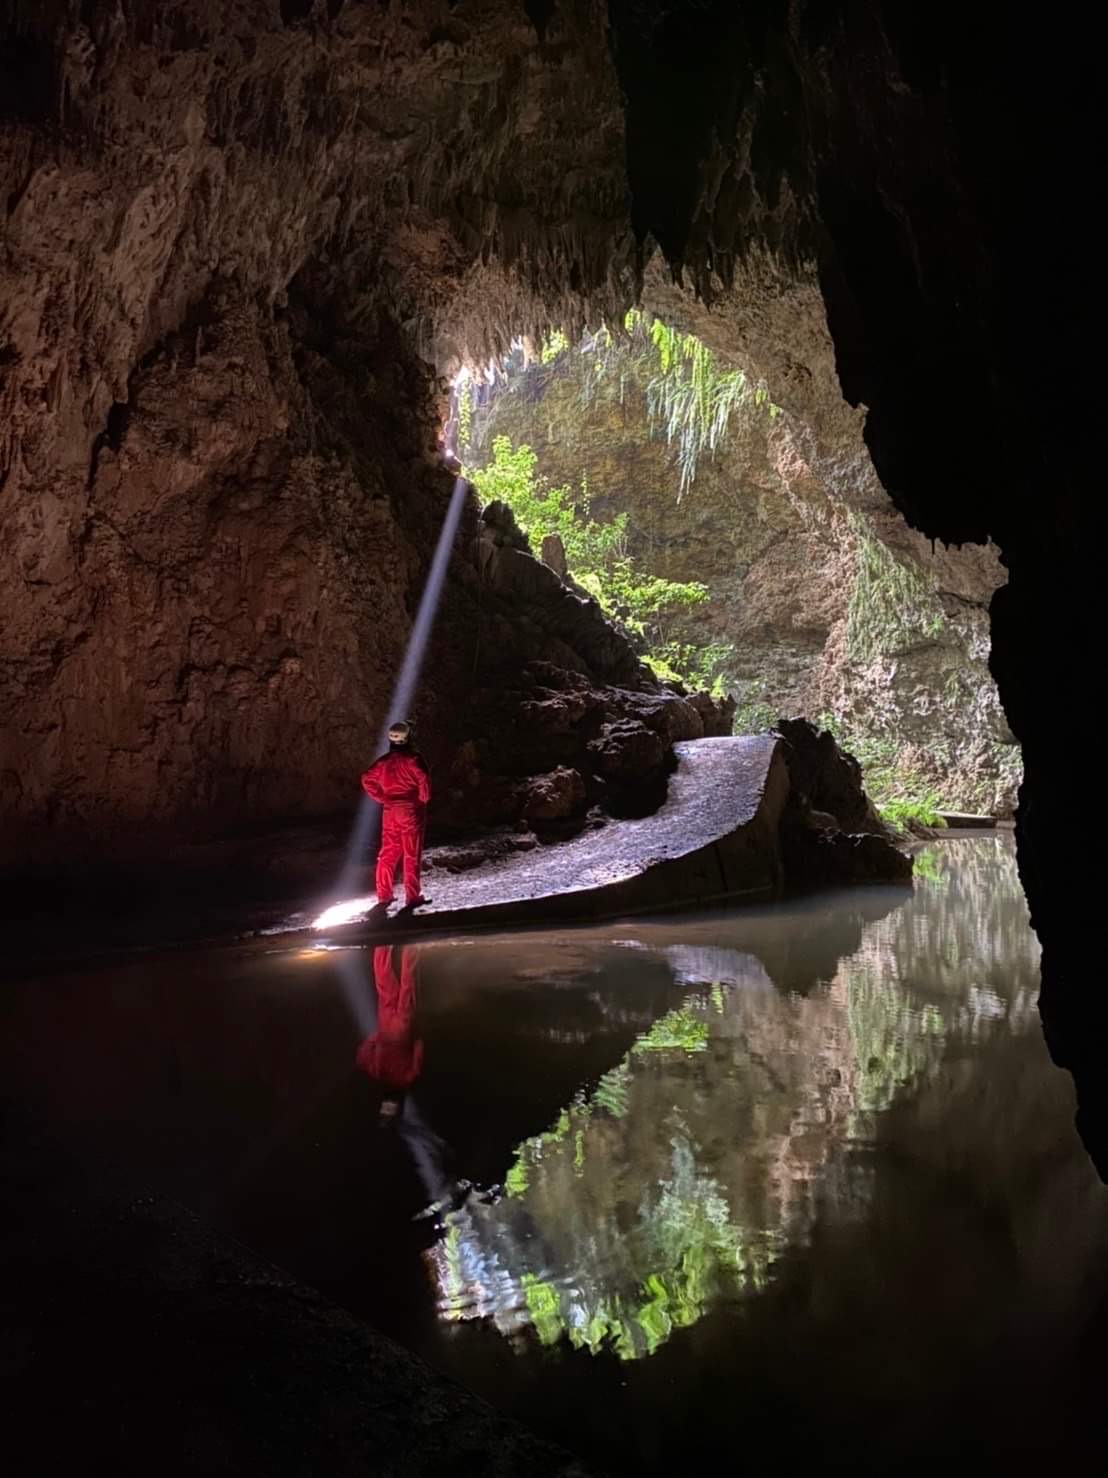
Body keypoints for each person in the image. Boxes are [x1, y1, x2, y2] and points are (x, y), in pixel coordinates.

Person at [360, 719, 431, 909]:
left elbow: (366, 778)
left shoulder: (384, 762)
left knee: (388, 853)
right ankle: (412, 896)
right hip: (410, 810)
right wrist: (422, 799)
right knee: (411, 854)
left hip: (390, 811)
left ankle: (384, 896)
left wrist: (382, 798)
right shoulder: (414, 760)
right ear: (408, 738)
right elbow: (423, 780)